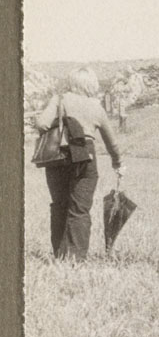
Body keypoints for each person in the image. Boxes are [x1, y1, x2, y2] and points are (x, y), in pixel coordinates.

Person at [35, 66, 125, 259]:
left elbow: (42, 123)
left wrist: (60, 124)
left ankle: (59, 255)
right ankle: (76, 258)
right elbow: (112, 142)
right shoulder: (96, 107)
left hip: (58, 156)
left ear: (71, 82)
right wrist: (118, 163)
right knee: (80, 209)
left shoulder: (59, 99)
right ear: (91, 84)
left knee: (59, 205)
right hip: (85, 156)